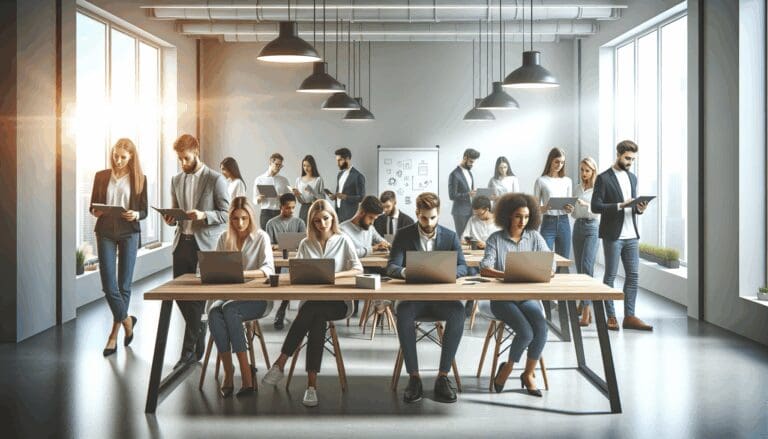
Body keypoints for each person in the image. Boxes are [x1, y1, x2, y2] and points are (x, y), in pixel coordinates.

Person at [262, 199, 363, 407]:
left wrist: (334, 275)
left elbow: (358, 269)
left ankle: (281, 362)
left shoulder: (343, 240)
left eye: (326, 219)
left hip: (338, 303)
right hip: (313, 303)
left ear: (333, 218)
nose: (322, 224)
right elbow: (297, 271)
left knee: (313, 311)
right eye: (317, 221)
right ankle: (311, 386)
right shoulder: (306, 243)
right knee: (317, 318)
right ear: (311, 222)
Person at [386, 192, 468, 404]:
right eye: (424, 218)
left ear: (438, 213)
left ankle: (443, 376)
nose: (429, 223)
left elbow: (463, 266)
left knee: (459, 311)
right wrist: (407, 271)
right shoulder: (404, 235)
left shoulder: (450, 236)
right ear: (417, 213)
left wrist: (448, 272)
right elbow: (391, 267)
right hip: (413, 300)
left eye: (433, 217)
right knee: (403, 312)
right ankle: (414, 378)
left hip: (441, 300)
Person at [163, 134, 229, 369]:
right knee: (180, 294)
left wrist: (204, 215)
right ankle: (200, 327)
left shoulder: (215, 179)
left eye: (186, 158)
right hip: (182, 243)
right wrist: (171, 219)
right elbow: (175, 213)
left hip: (205, 246)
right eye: (179, 159)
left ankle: (188, 353)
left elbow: (227, 214)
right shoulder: (176, 180)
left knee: (198, 298)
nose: (183, 163)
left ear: (196, 153)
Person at [479, 193, 551, 397]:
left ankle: (528, 374)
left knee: (541, 328)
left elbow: (551, 263)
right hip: (502, 300)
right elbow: (485, 268)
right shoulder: (496, 239)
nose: (522, 221)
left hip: (526, 297)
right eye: (518, 216)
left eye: (526, 217)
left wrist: (545, 270)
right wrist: (507, 274)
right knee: (526, 332)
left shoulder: (534, 237)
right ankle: (508, 368)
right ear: (508, 215)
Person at [207, 197, 274, 397]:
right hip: (229, 295)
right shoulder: (223, 238)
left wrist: (241, 273)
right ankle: (229, 371)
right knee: (213, 312)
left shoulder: (261, 237)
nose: (240, 223)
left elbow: (269, 270)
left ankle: (246, 375)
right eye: (235, 219)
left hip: (258, 299)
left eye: (244, 218)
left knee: (230, 310)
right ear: (230, 219)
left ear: (251, 217)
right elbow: (215, 267)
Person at [89, 138, 147, 357]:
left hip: (129, 232)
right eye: (116, 156)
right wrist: (95, 211)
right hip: (105, 230)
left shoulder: (140, 178)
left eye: (123, 157)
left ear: (131, 157)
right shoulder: (101, 176)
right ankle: (127, 321)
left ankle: (113, 335)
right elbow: (92, 205)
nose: (118, 160)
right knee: (108, 285)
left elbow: (143, 211)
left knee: (124, 286)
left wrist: (136, 214)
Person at [591, 140, 652, 331]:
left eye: (632, 159)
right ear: (618, 154)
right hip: (613, 235)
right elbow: (595, 206)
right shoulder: (603, 178)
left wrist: (639, 209)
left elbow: (632, 208)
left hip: (631, 235)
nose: (629, 162)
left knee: (633, 276)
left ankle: (629, 316)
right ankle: (611, 316)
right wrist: (620, 205)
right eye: (627, 158)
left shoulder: (633, 178)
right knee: (610, 276)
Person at [267, 193, 308, 330]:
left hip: (295, 258)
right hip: (277, 259)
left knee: (293, 276)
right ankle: (276, 307)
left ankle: (282, 308)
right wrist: (282, 246)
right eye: (288, 208)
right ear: (281, 207)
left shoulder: (300, 223)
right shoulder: (271, 223)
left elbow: (303, 243)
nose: (291, 210)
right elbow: (269, 245)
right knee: (276, 276)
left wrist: (280, 245)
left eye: (293, 208)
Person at [571, 157, 600, 327]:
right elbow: (575, 214)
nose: (583, 173)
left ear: (593, 171)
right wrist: (571, 209)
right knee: (580, 269)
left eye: (587, 170)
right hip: (578, 226)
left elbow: (599, 211)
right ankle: (583, 303)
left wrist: (586, 205)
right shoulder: (577, 188)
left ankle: (587, 312)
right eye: (582, 170)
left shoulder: (598, 189)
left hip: (592, 227)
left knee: (587, 267)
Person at [534, 147, 574, 270]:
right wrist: (544, 208)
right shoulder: (541, 181)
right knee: (545, 261)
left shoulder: (567, 181)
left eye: (562, 162)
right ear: (550, 160)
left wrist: (570, 209)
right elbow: (535, 208)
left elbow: (569, 206)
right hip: (548, 222)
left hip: (564, 222)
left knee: (563, 262)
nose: (559, 165)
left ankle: (563, 283)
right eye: (557, 161)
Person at [254, 153, 290, 230]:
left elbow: (290, 199)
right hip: (265, 212)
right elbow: (254, 200)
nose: (278, 167)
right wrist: (259, 198)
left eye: (280, 166)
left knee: (279, 236)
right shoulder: (259, 179)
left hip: (279, 212)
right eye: (277, 164)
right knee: (266, 236)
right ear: (270, 163)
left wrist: (283, 198)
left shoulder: (284, 180)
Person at [448, 148, 479, 238]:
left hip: (471, 211)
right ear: (465, 158)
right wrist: (468, 194)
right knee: (462, 238)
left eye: (473, 162)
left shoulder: (469, 173)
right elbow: (452, 195)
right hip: (460, 212)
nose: (472, 164)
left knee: (471, 238)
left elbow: (470, 192)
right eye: (471, 161)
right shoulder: (454, 174)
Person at [329, 147, 365, 223]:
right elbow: (340, 193)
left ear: (347, 159)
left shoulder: (358, 176)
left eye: (340, 160)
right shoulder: (340, 175)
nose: (337, 164)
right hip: (338, 212)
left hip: (350, 215)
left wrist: (345, 197)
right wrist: (335, 196)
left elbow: (361, 198)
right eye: (337, 161)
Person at [293, 155, 325, 224]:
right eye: (304, 165)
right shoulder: (298, 180)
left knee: (315, 228)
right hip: (304, 208)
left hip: (315, 208)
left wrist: (312, 192)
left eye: (308, 166)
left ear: (313, 166)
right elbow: (301, 201)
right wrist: (297, 195)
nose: (306, 168)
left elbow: (323, 198)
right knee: (303, 229)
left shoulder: (318, 179)